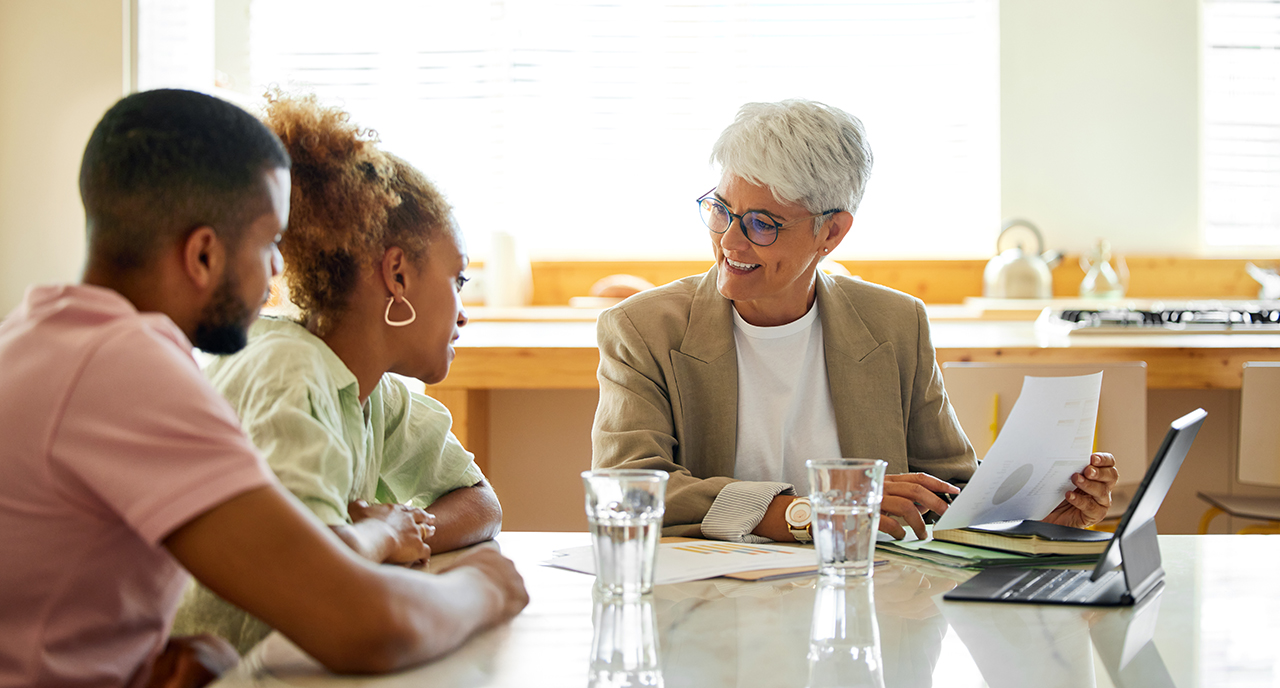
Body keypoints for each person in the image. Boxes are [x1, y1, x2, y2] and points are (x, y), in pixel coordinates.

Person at [0, 89, 527, 688]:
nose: (280, 270)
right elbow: (358, 622)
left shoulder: (42, 337)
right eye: (269, 243)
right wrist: (484, 586)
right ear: (203, 254)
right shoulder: (126, 370)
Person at [591, 99, 1118, 543]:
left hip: (863, 608)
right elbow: (628, 489)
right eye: (721, 210)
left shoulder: (894, 323)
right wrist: (811, 513)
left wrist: (1040, 521)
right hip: (706, 618)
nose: (730, 241)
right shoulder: (642, 330)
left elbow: (949, 493)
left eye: (761, 224)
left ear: (832, 232)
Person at [173, 92, 501, 653]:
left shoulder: (372, 389)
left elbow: (480, 503)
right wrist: (378, 536)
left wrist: (399, 532)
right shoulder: (287, 373)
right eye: (459, 280)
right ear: (397, 275)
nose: (463, 311)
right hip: (240, 667)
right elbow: (313, 586)